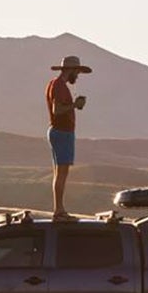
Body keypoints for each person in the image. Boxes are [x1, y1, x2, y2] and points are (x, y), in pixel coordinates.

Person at [45, 53, 91, 219]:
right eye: (76, 72)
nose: (77, 75)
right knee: (62, 172)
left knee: (60, 172)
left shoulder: (54, 84)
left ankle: (59, 209)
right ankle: (59, 210)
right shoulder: (59, 86)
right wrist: (74, 105)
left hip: (59, 131)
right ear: (70, 70)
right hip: (62, 132)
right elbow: (57, 110)